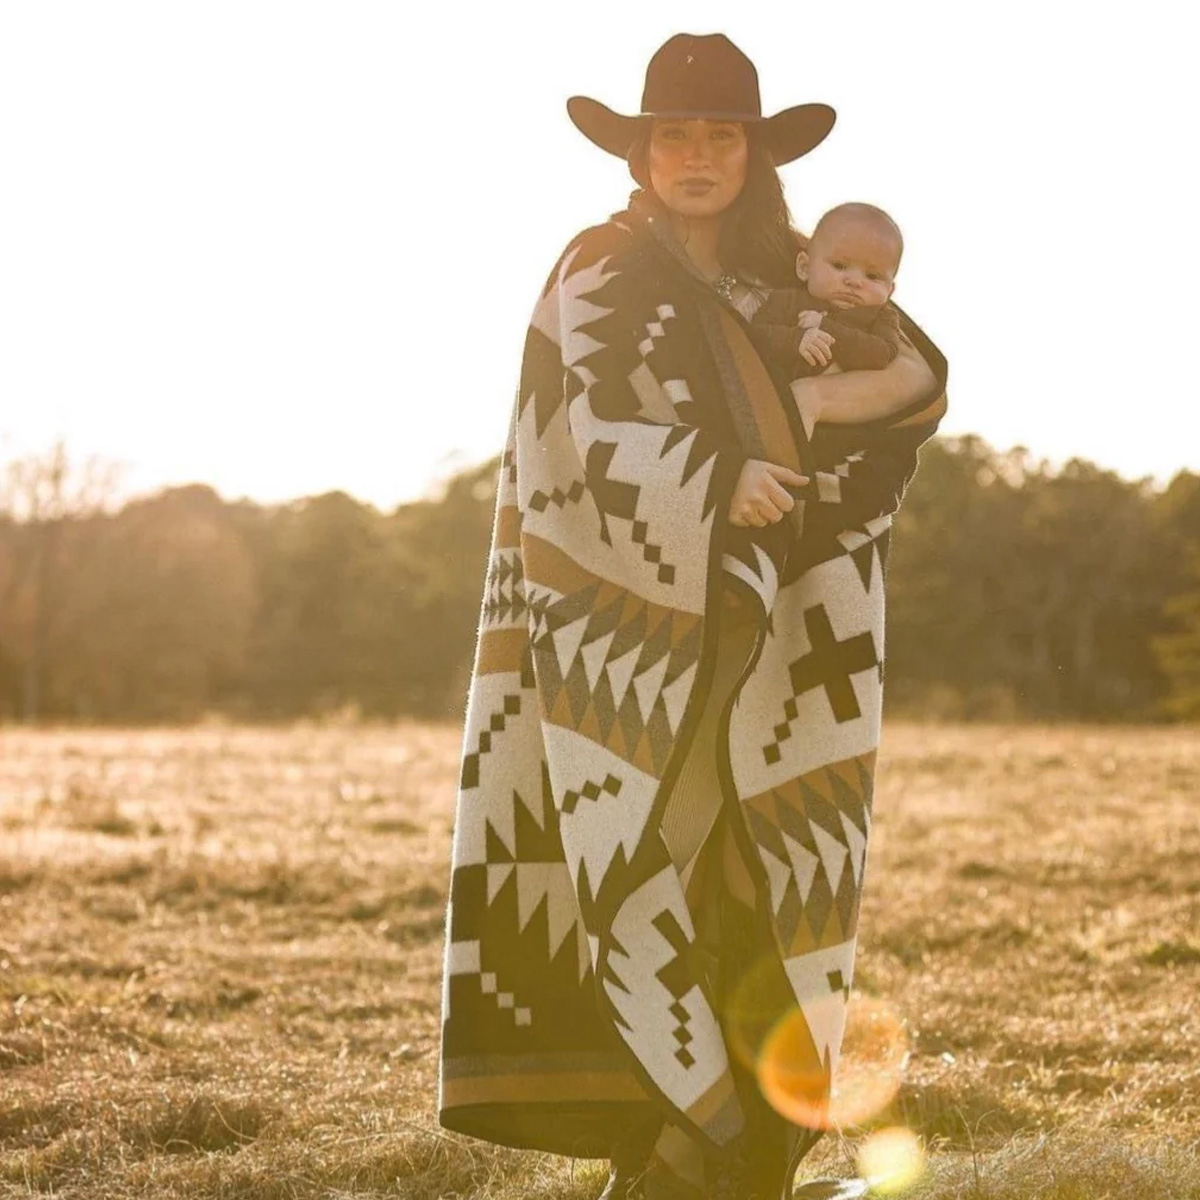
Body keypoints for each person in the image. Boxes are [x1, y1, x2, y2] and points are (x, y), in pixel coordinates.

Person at [439, 33, 947, 1200]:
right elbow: (586, 426)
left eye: (723, 135)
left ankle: (742, 1152)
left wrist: (811, 398)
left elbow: (917, 376)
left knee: (764, 881)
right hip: (621, 641)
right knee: (634, 864)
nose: (700, 155)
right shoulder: (601, 265)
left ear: (756, 152)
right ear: (643, 150)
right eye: (677, 135)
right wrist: (720, 478)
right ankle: (661, 1144)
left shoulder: (802, 266)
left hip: (782, 637)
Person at [751, 202, 905, 386]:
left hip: (853, 406)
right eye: (839, 266)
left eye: (872, 276)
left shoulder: (882, 316)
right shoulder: (786, 300)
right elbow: (755, 336)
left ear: (889, 291)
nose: (855, 282)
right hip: (779, 401)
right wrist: (796, 340)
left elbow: (883, 354)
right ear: (804, 267)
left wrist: (826, 327)